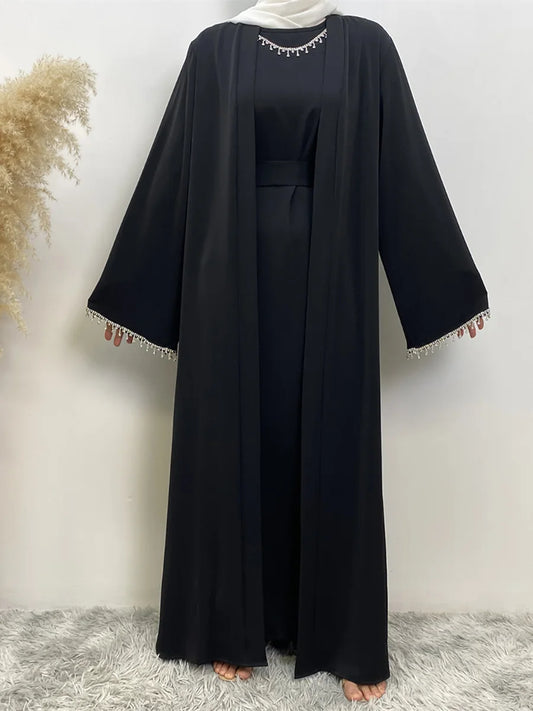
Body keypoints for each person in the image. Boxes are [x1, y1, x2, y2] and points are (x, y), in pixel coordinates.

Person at [87, 0, 490, 703]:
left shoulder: (367, 48)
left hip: (333, 275)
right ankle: (228, 624)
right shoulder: (213, 50)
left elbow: (403, 166)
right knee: (231, 437)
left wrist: (445, 289)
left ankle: (340, 635)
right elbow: (175, 169)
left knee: (332, 439)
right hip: (225, 279)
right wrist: (135, 288)